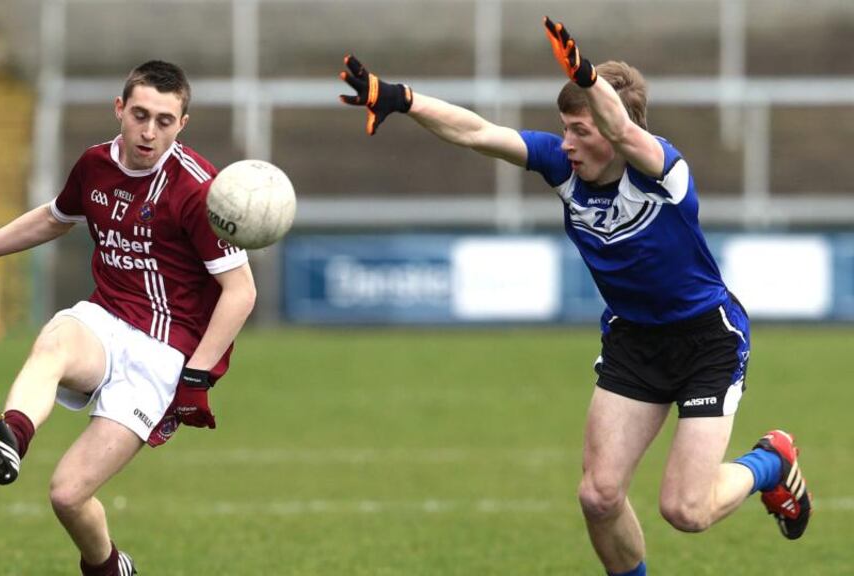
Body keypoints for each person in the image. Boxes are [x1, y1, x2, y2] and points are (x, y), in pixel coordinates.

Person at [339, 17, 811, 576]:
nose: (566, 142)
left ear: (613, 129)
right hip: (634, 340)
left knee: (685, 510)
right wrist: (401, 98)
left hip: (707, 339)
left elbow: (630, 134)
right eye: (564, 127)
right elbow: (477, 132)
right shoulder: (564, 169)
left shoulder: (663, 171)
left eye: (580, 129)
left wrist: (590, 79)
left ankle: (770, 462)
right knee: (598, 497)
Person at [0, 60, 257, 576]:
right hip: (105, 319)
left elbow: (240, 291)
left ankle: (111, 567)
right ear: (119, 109)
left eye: (164, 120)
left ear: (182, 124)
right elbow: (54, 217)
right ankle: (11, 437)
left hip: (163, 353)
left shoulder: (200, 191)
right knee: (55, 342)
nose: (148, 130)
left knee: (68, 495)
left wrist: (197, 377)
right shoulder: (94, 164)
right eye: (140, 114)